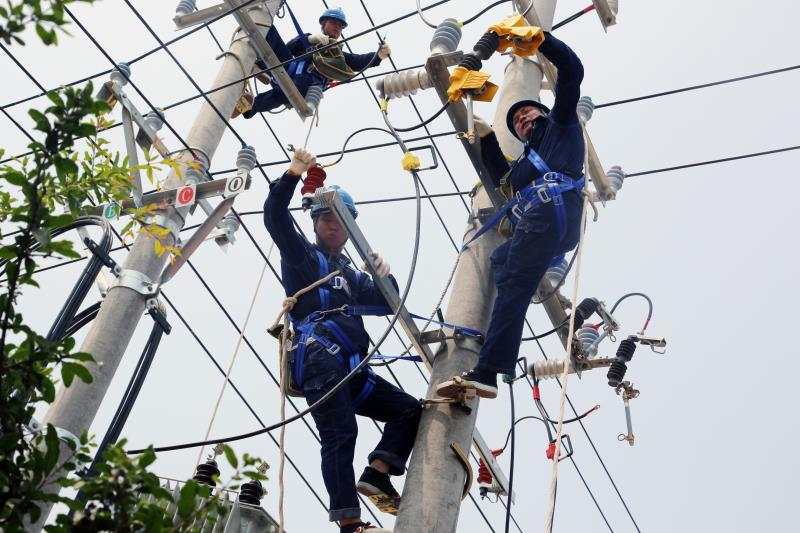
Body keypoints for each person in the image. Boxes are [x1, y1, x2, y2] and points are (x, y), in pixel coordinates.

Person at [264, 148, 421, 533]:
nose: (333, 225)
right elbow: (275, 218)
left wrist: (384, 276)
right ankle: (349, 524)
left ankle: (377, 473)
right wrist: (293, 174)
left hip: (352, 371)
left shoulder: (350, 275)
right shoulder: (304, 257)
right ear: (316, 223)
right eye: (326, 218)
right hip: (320, 360)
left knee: (408, 409)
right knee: (340, 433)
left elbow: (388, 303)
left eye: (340, 219)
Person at [437, 31, 586, 400]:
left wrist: (540, 40)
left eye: (527, 111)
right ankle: (498, 344)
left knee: (514, 286)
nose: (522, 118)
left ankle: (488, 371)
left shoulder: (561, 126)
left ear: (543, 112)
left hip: (551, 212)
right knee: (502, 261)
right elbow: (501, 181)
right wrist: (484, 136)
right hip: (544, 222)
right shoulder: (523, 167)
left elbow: (572, 71)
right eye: (516, 120)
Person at [236, 7, 390, 118]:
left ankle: (249, 106)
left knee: (279, 96)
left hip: (305, 87)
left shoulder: (337, 57)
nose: (337, 27)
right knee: (269, 30)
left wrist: (378, 56)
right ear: (323, 24)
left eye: (340, 26)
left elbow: (358, 61)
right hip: (287, 70)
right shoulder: (308, 41)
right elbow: (289, 48)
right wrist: (310, 39)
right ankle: (259, 65)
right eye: (334, 23)